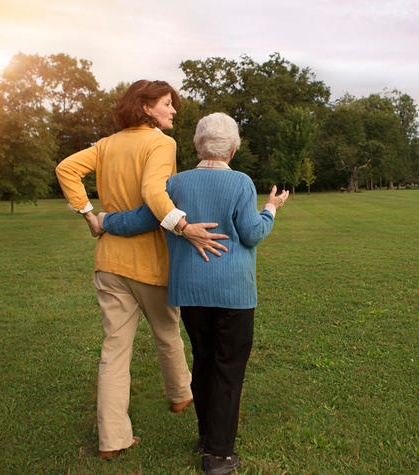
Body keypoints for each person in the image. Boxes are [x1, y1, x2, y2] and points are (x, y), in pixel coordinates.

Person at [99, 112, 288, 474]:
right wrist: (270, 209)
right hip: (233, 294)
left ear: (198, 146)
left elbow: (142, 218)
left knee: (203, 361)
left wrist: (105, 220)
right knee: (228, 368)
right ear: (232, 150)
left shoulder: (175, 183)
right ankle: (218, 454)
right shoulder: (241, 183)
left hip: (191, 292)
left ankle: (207, 437)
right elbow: (252, 234)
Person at [55, 80, 228, 460]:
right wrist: (183, 226)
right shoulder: (161, 144)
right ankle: (181, 395)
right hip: (149, 263)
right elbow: (153, 192)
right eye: (167, 103)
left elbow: (65, 169)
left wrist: (89, 215)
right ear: (146, 107)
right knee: (167, 332)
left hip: (109, 263)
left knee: (115, 350)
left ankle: (112, 438)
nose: (173, 110)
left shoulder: (106, 144)